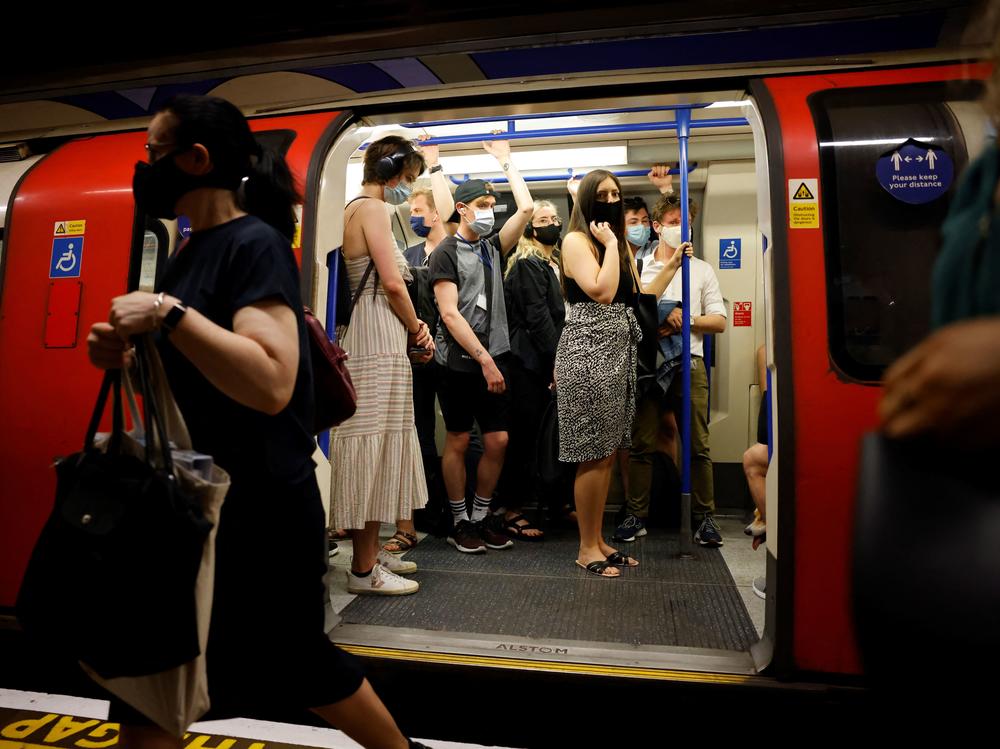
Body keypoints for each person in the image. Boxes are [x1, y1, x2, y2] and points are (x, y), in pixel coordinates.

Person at [85, 95, 423, 749]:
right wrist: (127, 356)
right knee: (151, 680)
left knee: (299, 662)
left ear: (195, 159)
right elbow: (200, 372)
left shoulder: (254, 244)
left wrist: (167, 316)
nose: (146, 166)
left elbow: (269, 382)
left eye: (153, 152)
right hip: (205, 502)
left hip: (260, 506)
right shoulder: (190, 249)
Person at [328, 134, 435, 596]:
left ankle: (371, 555)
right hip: (378, 332)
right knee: (375, 445)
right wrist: (417, 328)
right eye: (408, 179)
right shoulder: (372, 210)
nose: (407, 191)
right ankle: (363, 568)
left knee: (374, 444)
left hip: (367, 333)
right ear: (391, 173)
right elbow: (393, 284)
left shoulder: (349, 209)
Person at [430, 137, 534, 553]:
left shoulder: (492, 248)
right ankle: (459, 519)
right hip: (458, 362)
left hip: (496, 357)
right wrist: (486, 361)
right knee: (457, 439)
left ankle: (480, 513)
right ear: (463, 209)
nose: (490, 212)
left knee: (498, 441)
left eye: (492, 205)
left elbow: (525, 209)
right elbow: (450, 315)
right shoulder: (445, 253)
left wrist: (508, 161)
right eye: (483, 206)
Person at [556, 169, 643, 578]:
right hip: (587, 355)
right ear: (588, 200)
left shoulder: (618, 245)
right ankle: (585, 547)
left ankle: (598, 537)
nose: (611, 200)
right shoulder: (576, 241)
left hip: (618, 354)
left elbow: (636, 295)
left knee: (607, 454)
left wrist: (674, 264)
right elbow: (601, 292)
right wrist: (610, 243)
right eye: (603, 194)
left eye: (616, 193)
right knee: (591, 455)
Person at [631, 193, 728, 546]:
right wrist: (661, 313)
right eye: (673, 224)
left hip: (690, 362)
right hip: (649, 363)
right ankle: (635, 514)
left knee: (698, 445)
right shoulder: (638, 267)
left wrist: (683, 318)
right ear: (657, 227)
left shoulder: (702, 269)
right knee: (642, 443)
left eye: (685, 223)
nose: (680, 229)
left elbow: (718, 321)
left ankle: (705, 518)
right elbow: (633, 312)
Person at [496, 200, 566, 540]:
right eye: (544, 219)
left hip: (541, 362)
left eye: (555, 218)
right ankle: (512, 510)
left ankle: (545, 503)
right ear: (531, 228)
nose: (552, 223)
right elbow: (538, 319)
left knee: (541, 436)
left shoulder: (553, 264)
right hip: (527, 363)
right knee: (523, 437)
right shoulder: (527, 264)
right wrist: (556, 362)